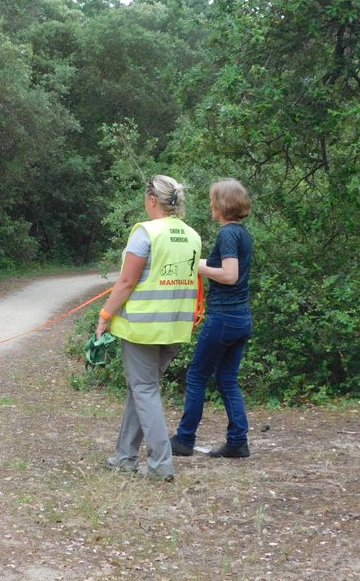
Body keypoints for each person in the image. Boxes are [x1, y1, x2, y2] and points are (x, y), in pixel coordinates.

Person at [96, 175, 202, 482]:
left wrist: (105, 315)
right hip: (176, 328)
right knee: (141, 390)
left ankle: (160, 465)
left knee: (143, 389)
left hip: (143, 328)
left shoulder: (146, 233)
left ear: (151, 200)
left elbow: (127, 282)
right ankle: (125, 457)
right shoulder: (192, 235)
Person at [170, 178, 254, 459]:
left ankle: (184, 438)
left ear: (222, 204)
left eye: (212, 199)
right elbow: (225, 267)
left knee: (196, 376)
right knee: (228, 378)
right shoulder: (242, 233)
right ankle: (237, 442)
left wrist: (200, 270)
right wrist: (194, 263)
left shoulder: (228, 234)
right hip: (241, 317)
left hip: (224, 318)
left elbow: (229, 275)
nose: (210, 204)